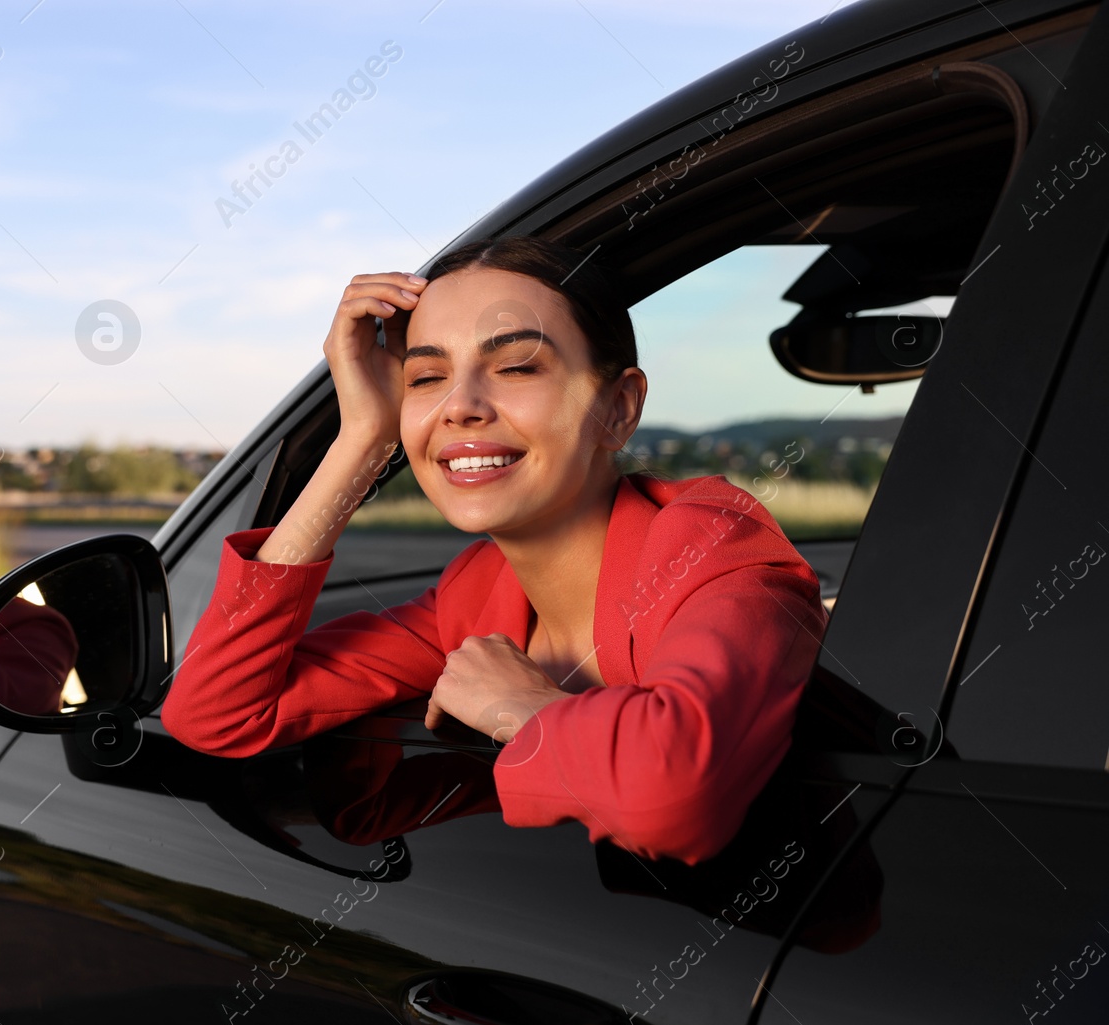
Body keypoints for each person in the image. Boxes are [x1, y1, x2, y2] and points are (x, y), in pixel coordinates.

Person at [160, 234, 828, 865]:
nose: (461, 406)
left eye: (516, 366)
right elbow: (216, 712)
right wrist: (362, 440)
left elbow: (676, 800)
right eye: (424, 379)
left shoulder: (710, 543)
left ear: (618, 408)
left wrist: (521, 706)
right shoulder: (478, 595)